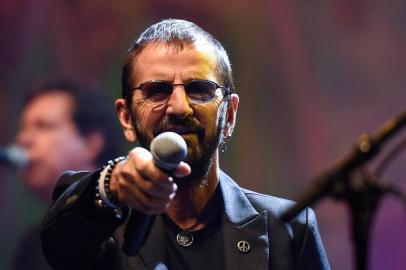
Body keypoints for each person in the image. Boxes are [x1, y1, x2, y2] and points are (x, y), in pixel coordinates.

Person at [40, 19, 330, 269]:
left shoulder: (289, 229)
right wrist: (110, 184)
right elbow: (60, 246)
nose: (179, 107)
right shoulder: (97, 214)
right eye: (157, 90)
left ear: (228, 116)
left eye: (199, 89)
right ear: (126, 118)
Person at [13, 79, 122, 270]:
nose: (23, 139)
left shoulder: (129, 233)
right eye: (24, 127)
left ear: (91, 143)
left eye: (43, 126)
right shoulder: (31, 245)